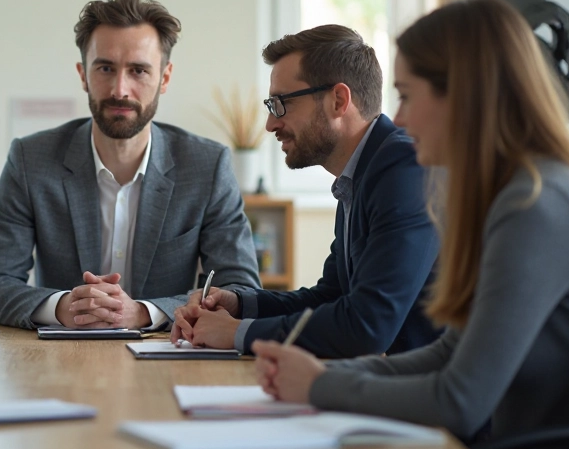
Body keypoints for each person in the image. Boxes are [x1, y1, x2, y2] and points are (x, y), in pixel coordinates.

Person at [252, 0, 569, 449]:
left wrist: (319, 384)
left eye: (408, 94)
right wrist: (322, 374)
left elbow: (460, 400)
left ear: (465, 96)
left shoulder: (537, 204)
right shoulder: (513, 193)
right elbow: (450, 352)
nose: (403, 117)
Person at [0, 0, 260, 330]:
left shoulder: (207, 166)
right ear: (83, 75)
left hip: (167, 359)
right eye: (105, 68)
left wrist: (143, 313)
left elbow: (241, 291)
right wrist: (64, 307)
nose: (120, 89)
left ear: (164, 78)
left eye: (138, 71)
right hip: (61, 360)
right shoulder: (30, 160)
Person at [172, 24, 440, 358]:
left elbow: (368, 326)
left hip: (430, 403)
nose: (270, 124)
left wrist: (239, 333)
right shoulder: (361, 174)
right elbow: (330, 297)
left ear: (338, 100)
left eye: (280, 103)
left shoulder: (403, 168)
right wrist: (239, 305)